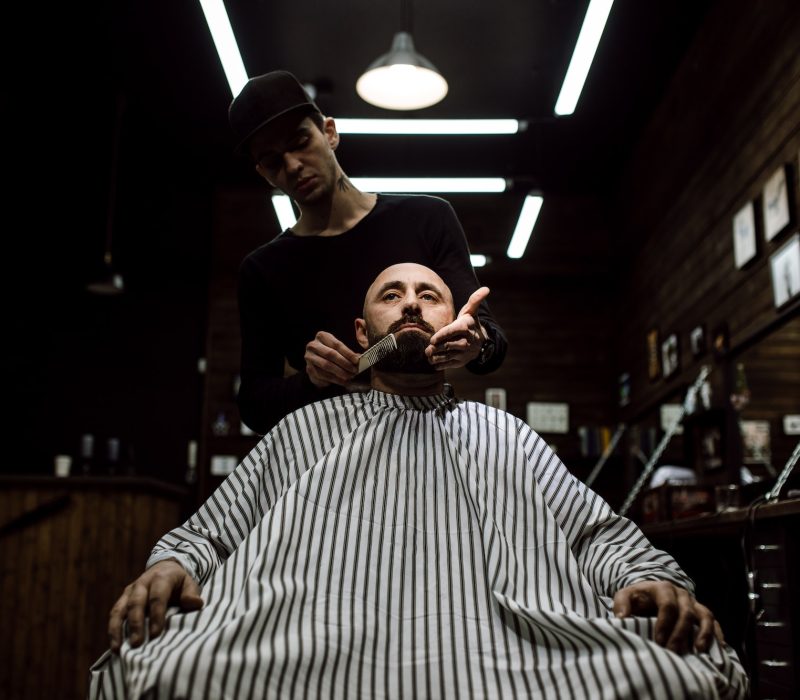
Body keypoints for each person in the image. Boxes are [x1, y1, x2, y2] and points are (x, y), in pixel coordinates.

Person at [91, 264, 747, 699]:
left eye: (429, 295)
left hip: (510, 648)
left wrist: (647, 576)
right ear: (362, 330)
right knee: (159, 667)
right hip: (303, 643)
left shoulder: (505, 434)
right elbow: (211, 531)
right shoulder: (303, 430)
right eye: (391, 295)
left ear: (457, 325)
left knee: (678, 668)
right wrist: (170, 564)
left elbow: (598, 533)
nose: (410, 301)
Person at [228, 70, 507, 434]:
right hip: (330, 451)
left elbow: (489, 342)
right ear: (264, 172)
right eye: (274, 161)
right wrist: (311, 381)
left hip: (424, 434)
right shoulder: (263, 271)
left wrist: (476, 344)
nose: (293, 165)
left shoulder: (427, 219)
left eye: (299, 142)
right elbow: (253, 405)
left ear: (329, 132)